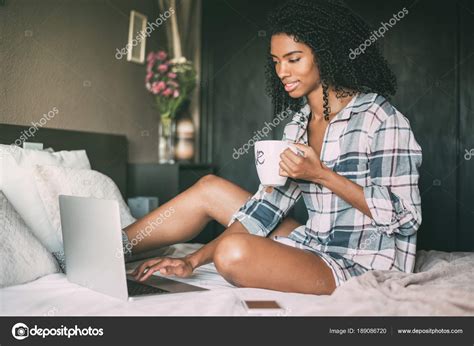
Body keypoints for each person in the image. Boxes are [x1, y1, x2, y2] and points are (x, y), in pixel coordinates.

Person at [129, 0, 422, 295]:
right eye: (276, 61)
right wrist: (190, 261)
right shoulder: (297, 126)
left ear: (327, 55)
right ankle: (108, 247)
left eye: (293, 59)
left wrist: (321, 175)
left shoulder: (380, 118)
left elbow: (405, 218)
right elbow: (265, 209)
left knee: (232, 253)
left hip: (363, 261)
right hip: (314, 242)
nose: (282, 71)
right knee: (209, 187)